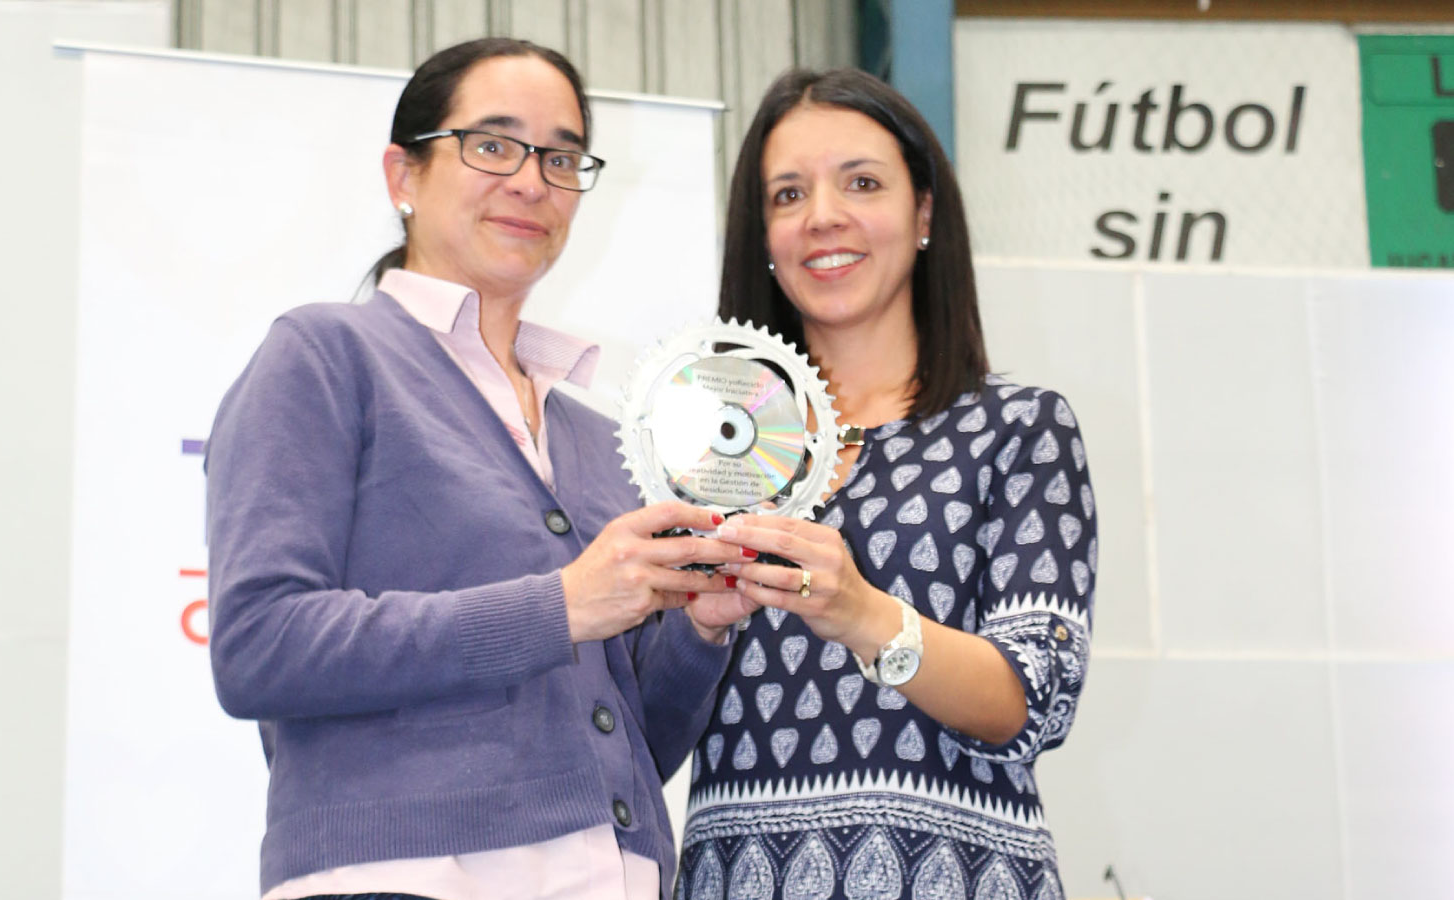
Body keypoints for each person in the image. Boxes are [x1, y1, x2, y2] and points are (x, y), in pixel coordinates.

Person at [205, 38, 752, 900]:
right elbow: (257, 646)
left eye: (561, 158)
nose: (532, 182)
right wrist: (559, 605)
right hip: (401, 876)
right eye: (492, 145)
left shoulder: (596, 435)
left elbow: (636, 742)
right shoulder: (325, 354)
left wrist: (701, 631)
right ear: (404, 174)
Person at [677, 68, 1097, 899]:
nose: (822, 215)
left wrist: (863, 614)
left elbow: (1033, 701)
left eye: (862, 183)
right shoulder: (707, 452)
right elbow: (638, 718)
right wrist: (690, 630)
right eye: (788, 194)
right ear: (762, 234)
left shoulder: (1019, 429)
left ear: (925, 212)